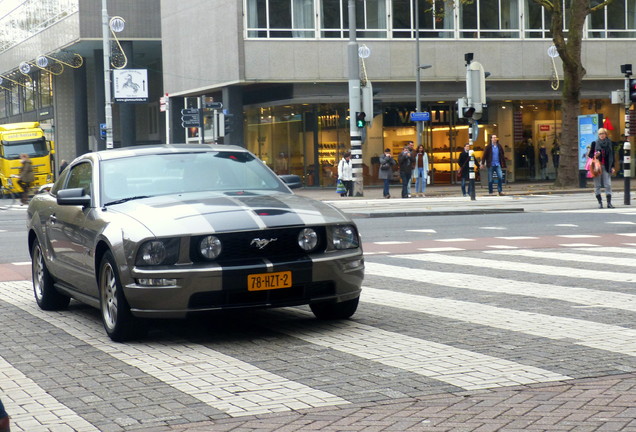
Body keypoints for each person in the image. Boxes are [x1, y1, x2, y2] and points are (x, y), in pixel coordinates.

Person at [588, 127, 615, 208]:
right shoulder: (595, 143)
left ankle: (609, 203)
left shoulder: (609, 143)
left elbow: (612, 156)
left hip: (606, 166)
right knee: (597, 185)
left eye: (603, 133)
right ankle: (600, 203)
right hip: (597, 167)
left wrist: (612, 166)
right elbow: (590, 155)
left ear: (606, 134)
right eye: (600, 134)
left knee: (608, 184)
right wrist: (596, 155)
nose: (601, 135)